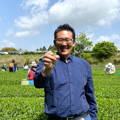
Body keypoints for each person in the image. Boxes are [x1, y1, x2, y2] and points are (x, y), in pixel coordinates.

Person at [34, 24, 98, 120]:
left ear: (74, 42)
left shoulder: (84, 64)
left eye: (68, 40)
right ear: (55, 43)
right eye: (60, 40)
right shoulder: (46, 61)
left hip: (83, 117)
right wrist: (47, 70)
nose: (64, 44)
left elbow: (90, 93)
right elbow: (37, 83)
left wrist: (93, 116)